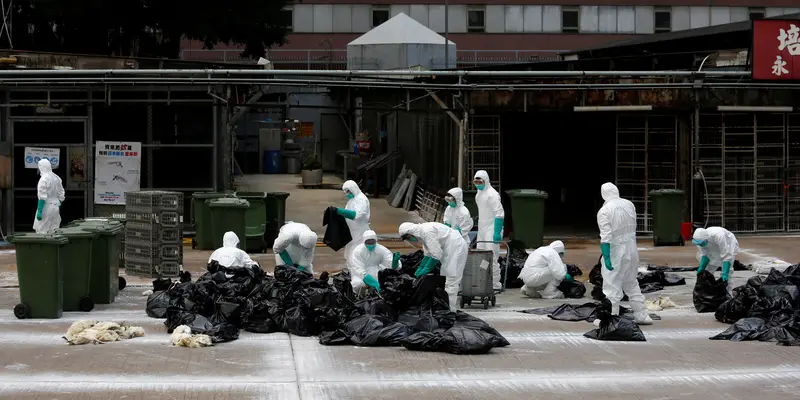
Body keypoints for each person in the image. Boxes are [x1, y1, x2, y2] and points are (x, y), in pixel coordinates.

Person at [597, 182, 653, 325]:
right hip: (632, 249)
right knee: (631, 282)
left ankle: (611, 317)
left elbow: (606, 237)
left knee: (612, 285)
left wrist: (607, 257)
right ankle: (641, 315)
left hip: (617, 251)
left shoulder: (604, 211)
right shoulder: (629, 204)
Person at [399, 222, 468, 311]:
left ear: (411, 232)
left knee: (451, 281)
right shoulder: (422, 234)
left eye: (408, 237)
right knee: (447, 280)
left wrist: (426, 269)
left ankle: (451, 311)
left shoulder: (427, 231)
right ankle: (447, 309)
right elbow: (428, 254)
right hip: (449, 249)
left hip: (456, 248)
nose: (409, 240)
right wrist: (420, 269)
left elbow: (436, 254)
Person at [473, 170, 504, 290]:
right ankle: (484, 280)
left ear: (486, 180)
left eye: (480, 181)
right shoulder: (479, 194)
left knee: (491, 255)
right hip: (482, 227)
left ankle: (495, 284)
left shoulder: (492, 194)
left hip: (492, 227)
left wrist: (497, 231)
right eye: (476, 181)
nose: (478, 183)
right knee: (481, 255)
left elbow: (499, 213)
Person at [348, 230, 402, 294]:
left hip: (375, 271)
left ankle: (374, 295)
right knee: (358, 285)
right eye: (368, 242)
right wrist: (375, 283)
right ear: (364, 241)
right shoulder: (358, 251)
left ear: (376, 241)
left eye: (372, 242)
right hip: (359, 274)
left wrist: (395, 261)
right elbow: (358, 269)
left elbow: (392, 265)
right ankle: (361, 296)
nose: (371, 244)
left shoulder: (381, 249)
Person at [692, 227, 740, 296]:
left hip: (728, 245)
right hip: (713, 247)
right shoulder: (700, 241)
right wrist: (702, 267)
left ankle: (728, 294)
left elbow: (727, 256)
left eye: (701, 243)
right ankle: (708, 292)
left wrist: (725, 273)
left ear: (706, 238)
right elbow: (705, 254)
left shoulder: (719, 235)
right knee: (707, 271)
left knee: (727, 273)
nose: (700, 245)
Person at [334, 180, 371, 265]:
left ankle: (358, 275)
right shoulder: (352, 200)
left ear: (353, 189)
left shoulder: (361, 199)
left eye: (348, 191)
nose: (346, 194)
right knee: (349, 255)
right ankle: (352, 274)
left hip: (359, 232)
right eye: (345, 192)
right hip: (352, 232)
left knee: (356, 256)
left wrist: (341, 211)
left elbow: (358, 215)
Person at [33, 159, 65, 234]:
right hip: (56, 207)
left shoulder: (43, 179)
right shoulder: (57, 178)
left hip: (46, 207)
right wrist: (58, 204)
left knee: (42, 231)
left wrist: (40, 210)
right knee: (54, 230)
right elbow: (61, 193)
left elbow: (42, 196)